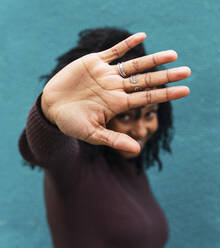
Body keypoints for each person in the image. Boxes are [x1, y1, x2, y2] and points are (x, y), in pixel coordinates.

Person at [18, 27, 191, 248]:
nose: (140, 130)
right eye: (126, 116)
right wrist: (50, 112)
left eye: (150, 114)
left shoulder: (128, 166)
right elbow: (48, 148)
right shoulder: (74, 168)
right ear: (100, 115)